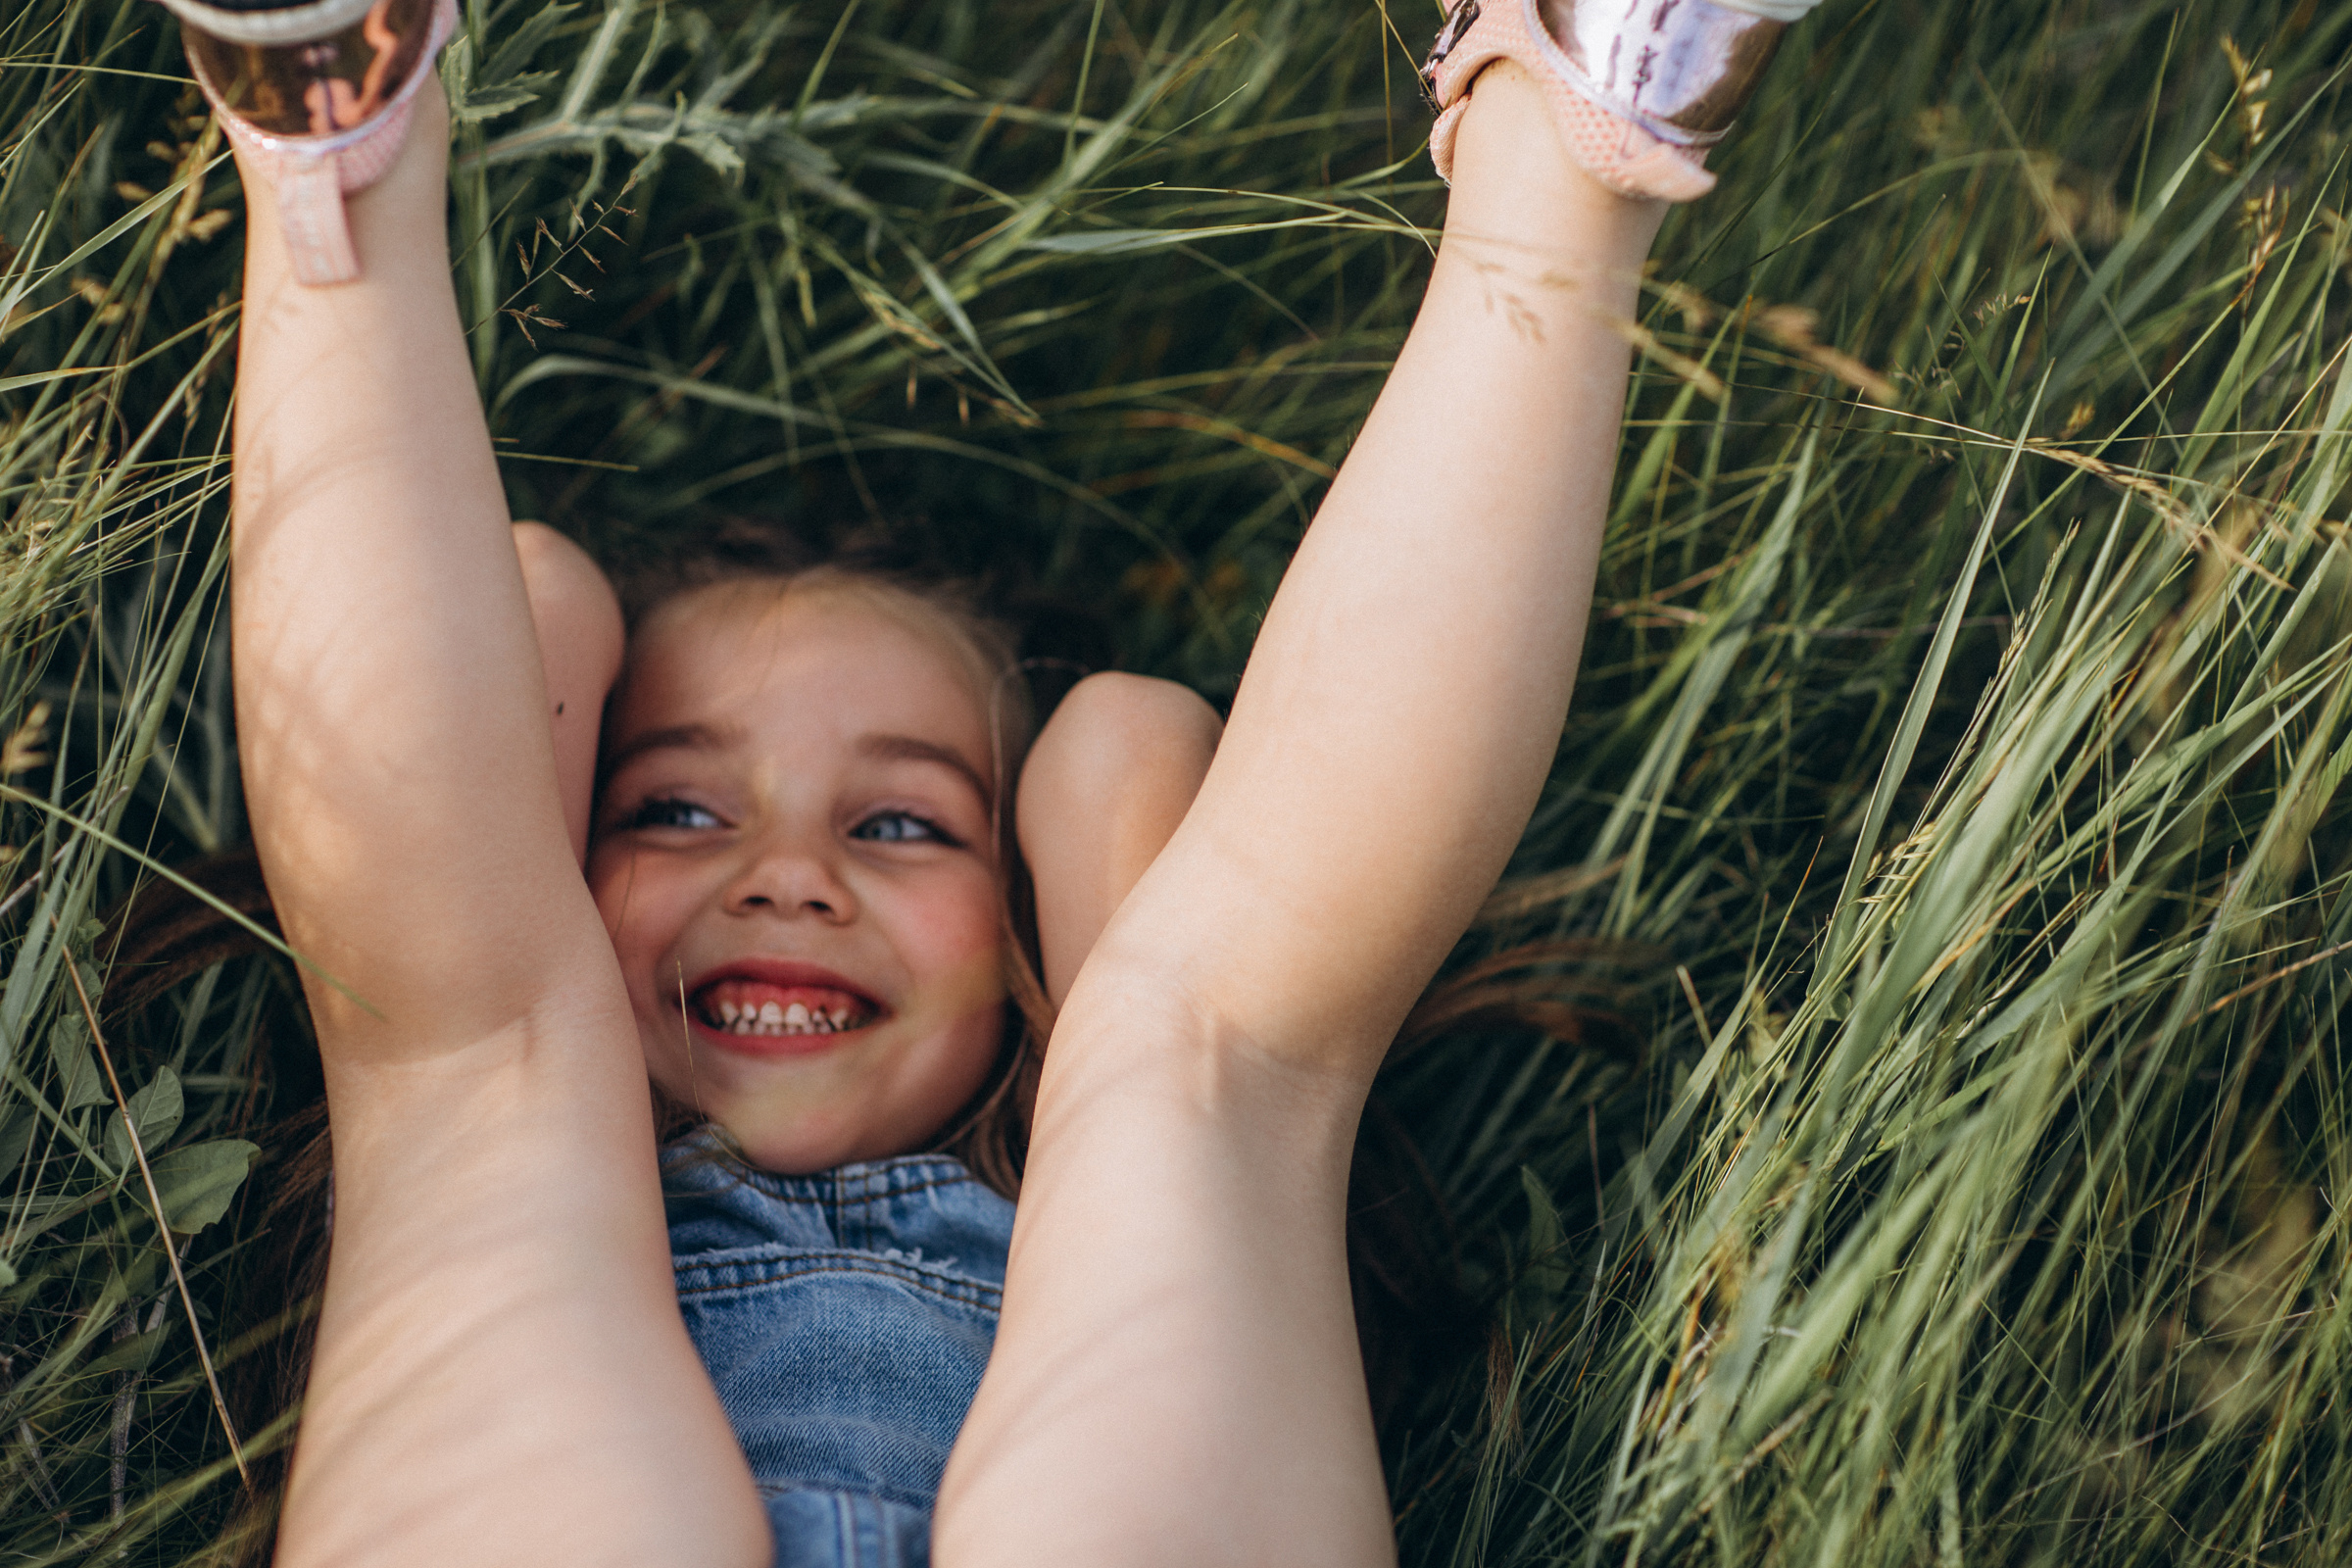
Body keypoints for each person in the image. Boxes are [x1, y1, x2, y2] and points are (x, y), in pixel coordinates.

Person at [209, 0, 1808, 1560]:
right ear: (556, 825)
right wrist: (554, 638)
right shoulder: (545, 1093)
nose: (786, 875)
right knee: (490, 1036)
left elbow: (1154, 803)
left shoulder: (1091, 1198)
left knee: (1189, 1056)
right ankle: (333, 107)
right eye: (677, 807)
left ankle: (1586, 105)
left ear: (1024, 932)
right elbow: (507, 672)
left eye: (901, 821)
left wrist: (1095, 903)